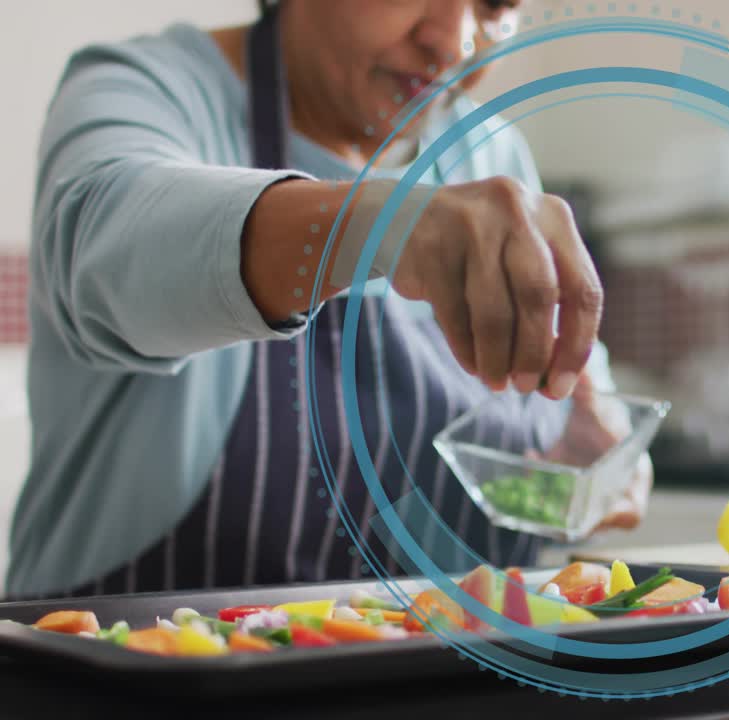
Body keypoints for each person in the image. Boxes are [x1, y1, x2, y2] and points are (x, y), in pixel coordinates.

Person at [7, 0, 652, 599]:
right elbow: (99, 253)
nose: (452, 42)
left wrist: (590, 466)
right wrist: (376, 222)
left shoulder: (492, 151)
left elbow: (584, 414)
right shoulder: (149, 87)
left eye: (494, 4)